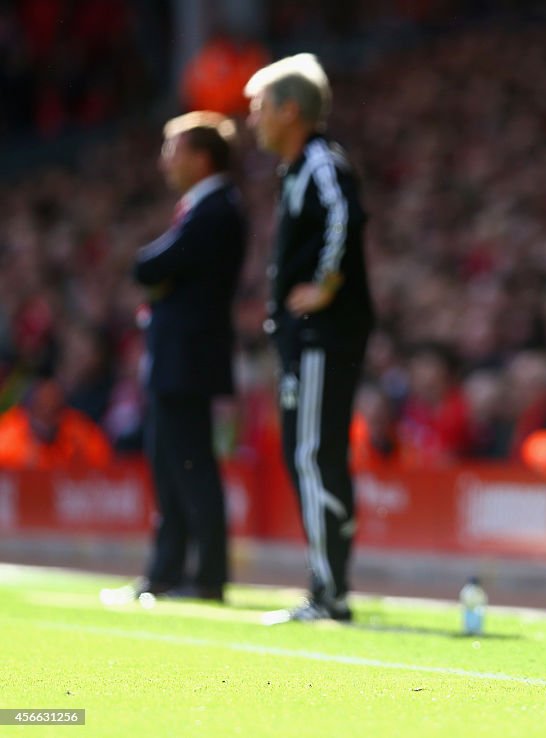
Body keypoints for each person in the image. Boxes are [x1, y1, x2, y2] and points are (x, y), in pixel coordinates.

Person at [245, 54, 374, 623]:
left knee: (315, 453)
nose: (252, 120)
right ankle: (326, 586)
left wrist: (325, 284)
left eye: (259, 107)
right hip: (305, 339)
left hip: (325, 334)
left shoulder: (322, 161)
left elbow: (345, 214)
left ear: (289, 110)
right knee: (309, 453)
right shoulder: (295, 168)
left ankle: (329, 594)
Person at [132, 111, 247, 602]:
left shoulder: (217, 209)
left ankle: (205, 576)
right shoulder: (205, 209)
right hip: (179, 359)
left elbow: (151, 264)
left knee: (189, 465)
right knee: (169, 464)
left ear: (201, 158)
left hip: (187, 360)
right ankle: (167, 573)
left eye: (171, 150)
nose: (164, 163)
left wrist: (157, 278)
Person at [0, 377, 112, 469]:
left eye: (54, 410)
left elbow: (104, 464)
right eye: (41, 408)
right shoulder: (6, 436)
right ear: (28, 410)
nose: (47, 418)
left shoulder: (79, 432)